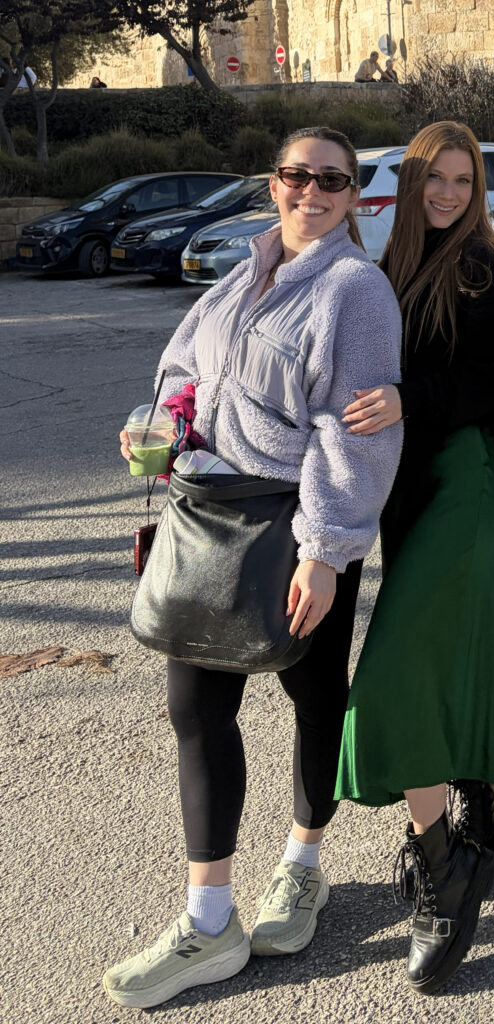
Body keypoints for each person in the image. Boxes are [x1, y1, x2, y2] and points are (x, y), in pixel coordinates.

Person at [103, 126, 402, 1008]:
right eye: (297, 175)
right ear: (274, 184)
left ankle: (303, 866)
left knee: (314, 698)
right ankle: (209, 920)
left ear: (354, 195)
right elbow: (182, 368)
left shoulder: (356, 290)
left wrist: (326, 552)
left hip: (292, 526)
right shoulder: (241, 274)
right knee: (197, 712)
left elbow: (353, 433)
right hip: (206, 513)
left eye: (332, 180)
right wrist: (160, 423)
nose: (312, 192)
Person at [336, 121, 494, 994]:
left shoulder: (483, 266)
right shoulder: (390, 266)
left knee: (397, 665)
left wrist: (407, 397)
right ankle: (484, 807)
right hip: (408, 487)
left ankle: (446, 866)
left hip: (464, 476)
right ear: (408, 184)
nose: (449, 193)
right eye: (434, 179)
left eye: (463, 179)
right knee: (467, 641)